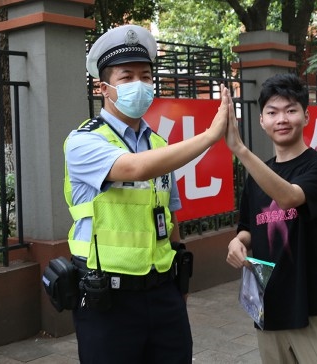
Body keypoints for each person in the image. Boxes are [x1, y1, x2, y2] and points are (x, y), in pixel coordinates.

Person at [64, 24, 229, 363]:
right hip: (107, 300)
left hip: (163, 295)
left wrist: (179, 284)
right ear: (103, 87)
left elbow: (169, 216)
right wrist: (211, 136)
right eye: (127, 77)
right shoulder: (84, 141)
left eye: (145, 76)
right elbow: (134, 168)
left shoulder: (159, 145)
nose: (139, 85)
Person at [225, 73, 317, 363]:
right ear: (261, 121)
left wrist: (240, 150)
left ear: (306, 116)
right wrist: (238, 242)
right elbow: (248, 226)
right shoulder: (256, 175)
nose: (281, 119)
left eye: (291, 110)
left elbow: (290, 197)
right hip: (268, 303)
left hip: (315, 302)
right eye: (272, 112)